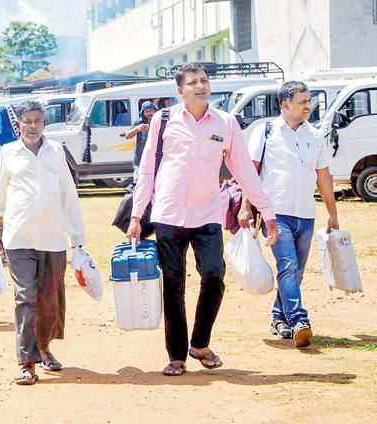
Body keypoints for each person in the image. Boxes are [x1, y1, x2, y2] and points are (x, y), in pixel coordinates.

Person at [126, 63, 278, 377]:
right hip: (168, 213)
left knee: (213, 274)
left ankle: (199, 343)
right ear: (180, 90)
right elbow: (147, 170)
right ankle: (177, 356)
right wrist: (137, 215)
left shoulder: (225, 122)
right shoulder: (163, 120)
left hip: (208, 213)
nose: (200, 86)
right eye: (193, 82)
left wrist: (268, 210)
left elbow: (244, 171)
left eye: (204, 81)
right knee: (174, 284)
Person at [0, 101, 86, 385]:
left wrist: (77, 239)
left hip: (54, 237)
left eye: (37, 121)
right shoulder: (8, 152)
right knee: (25, 297)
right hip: (19, 237)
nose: (32, 126)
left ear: (44, 124)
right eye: (27, 121)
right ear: (18, 124)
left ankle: (44, 348)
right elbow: (0, 195)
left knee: (49, 298)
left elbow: (69, 194)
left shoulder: (56, 151)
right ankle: (26, 362)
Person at [239, 81, 339, 348]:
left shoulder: (316, 135)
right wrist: (245, 206)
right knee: (288, 265)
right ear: (285, 104)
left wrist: (333, 213)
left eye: (309, 100)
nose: (308, 105)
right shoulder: (266, 131)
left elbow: (323, 177)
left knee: (296, 272)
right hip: (275, 213)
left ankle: (278, 318)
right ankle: (298, 320)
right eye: (303, 101)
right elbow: (251, 172)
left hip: (305, 213)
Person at [125, 101, 157, 182]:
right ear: (143, 113)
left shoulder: (160, 121)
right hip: (140, 160)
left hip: (157, 160)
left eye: (151, 110)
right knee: (139, 183)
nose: (149, 113)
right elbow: (128, 136)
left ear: (155, 111)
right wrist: (137, 129)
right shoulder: (139, 122)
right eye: (146, 111)